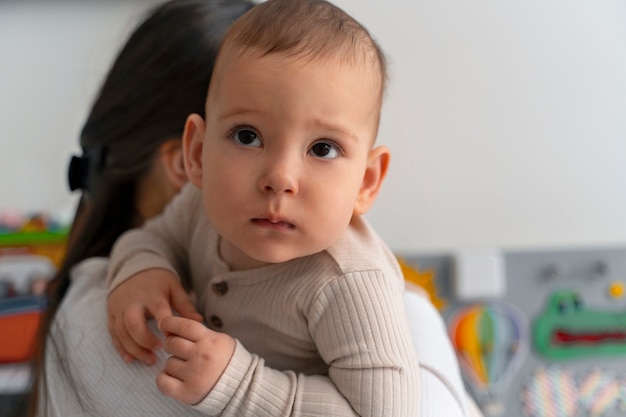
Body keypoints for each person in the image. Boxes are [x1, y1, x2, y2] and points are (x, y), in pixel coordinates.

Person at [27, 0, 480, 416]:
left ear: (366, 181)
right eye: (247, 136)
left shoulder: (350, 287)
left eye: (322, 148)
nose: (280, 177)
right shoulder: (200, 209)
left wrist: (242, 385)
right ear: (194, 155)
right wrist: (142, 269)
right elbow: (155, 237)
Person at [28, 1, 255, 416]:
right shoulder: (138, 325)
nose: (290, 177)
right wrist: (411, 318)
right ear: (191, 161)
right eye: (251, 139)